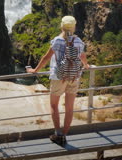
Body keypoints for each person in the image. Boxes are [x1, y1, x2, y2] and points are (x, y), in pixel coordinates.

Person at [26, 15, 90, 145]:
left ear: (61, 26)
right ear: (74, 27)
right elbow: (82, 56)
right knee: (70, 108)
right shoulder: (78, 41)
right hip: (74, 76)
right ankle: (64, 136)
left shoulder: (57, 41)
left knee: (54, 105)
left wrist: (35, 70)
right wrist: (86, 65)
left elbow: (46, 58)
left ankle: (58, 134)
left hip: (58, 77)